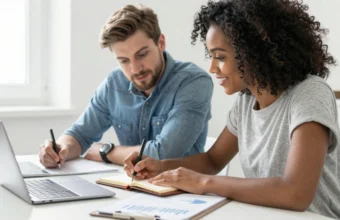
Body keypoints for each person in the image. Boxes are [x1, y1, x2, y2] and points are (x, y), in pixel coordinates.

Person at [123, 0, 340, 218]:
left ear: (254, 52)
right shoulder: (246, 102)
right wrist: (161, 166)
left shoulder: (310, 93)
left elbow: (296, 193)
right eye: (212, 57)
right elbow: (212, 161)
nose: (212, 68)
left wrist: (204, 182)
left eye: (220, 57)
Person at [38, 5, 213, 167]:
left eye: (142, 54)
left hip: (181, 193)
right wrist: (60, 149)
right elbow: (80, 134)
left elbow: (164, 153)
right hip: (130, 188)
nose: (135, 69)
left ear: (161, 43)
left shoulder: (193, 82)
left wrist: (107, 152)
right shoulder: (114, 84)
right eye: (124, 61)